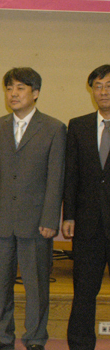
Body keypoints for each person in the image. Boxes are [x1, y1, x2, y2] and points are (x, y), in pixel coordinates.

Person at [0, 68, 65, 350]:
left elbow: (56, 178)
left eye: (20, 88)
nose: (13, 94)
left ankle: (36, 338)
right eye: (9, 88)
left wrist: (50, 218)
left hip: (36, 221)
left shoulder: (54, 128)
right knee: (0, 284)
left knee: (36, 285)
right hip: (1, 219)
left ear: (35, 93)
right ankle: (2, 336)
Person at [63, 64, 110, 350]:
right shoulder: (78, 125)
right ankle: (80, 344)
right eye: (98, 86)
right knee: (83, 291)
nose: (103, 92)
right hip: (87, 224)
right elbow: (71, 174)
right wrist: (68, 215)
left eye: (109, 86)